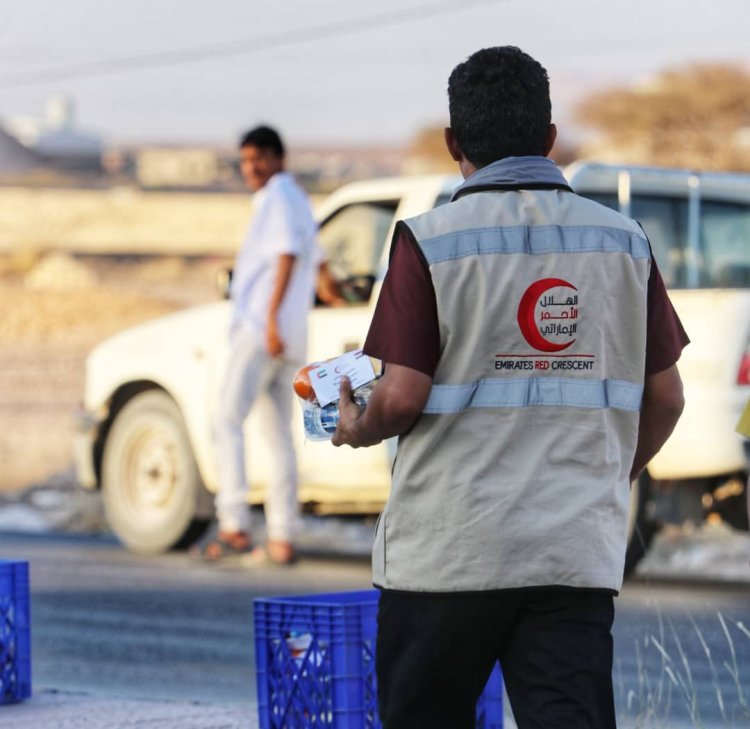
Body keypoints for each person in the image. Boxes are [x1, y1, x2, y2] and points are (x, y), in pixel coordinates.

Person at [332, 47, 689, 728]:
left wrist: (357, 423)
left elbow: (401, 397)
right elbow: (666, 397)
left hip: (447, 555)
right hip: (570, 553)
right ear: (551, 139)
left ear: (452, 144)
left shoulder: (427, 241)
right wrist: (608, 476)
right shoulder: (623, 242)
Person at [200, 125, 338, 565]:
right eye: (245, 160)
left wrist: (273, 321)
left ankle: (234, 524)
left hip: (263, 329)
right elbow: (316, 262)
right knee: (277, 436)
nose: (251, 168)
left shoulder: (278, 198)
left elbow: (286, 256)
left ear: (278, 158)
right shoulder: (297, 199)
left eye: (258, 158)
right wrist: (337, 297)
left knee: (226, 421)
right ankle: (282, 535)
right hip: (289, 335)